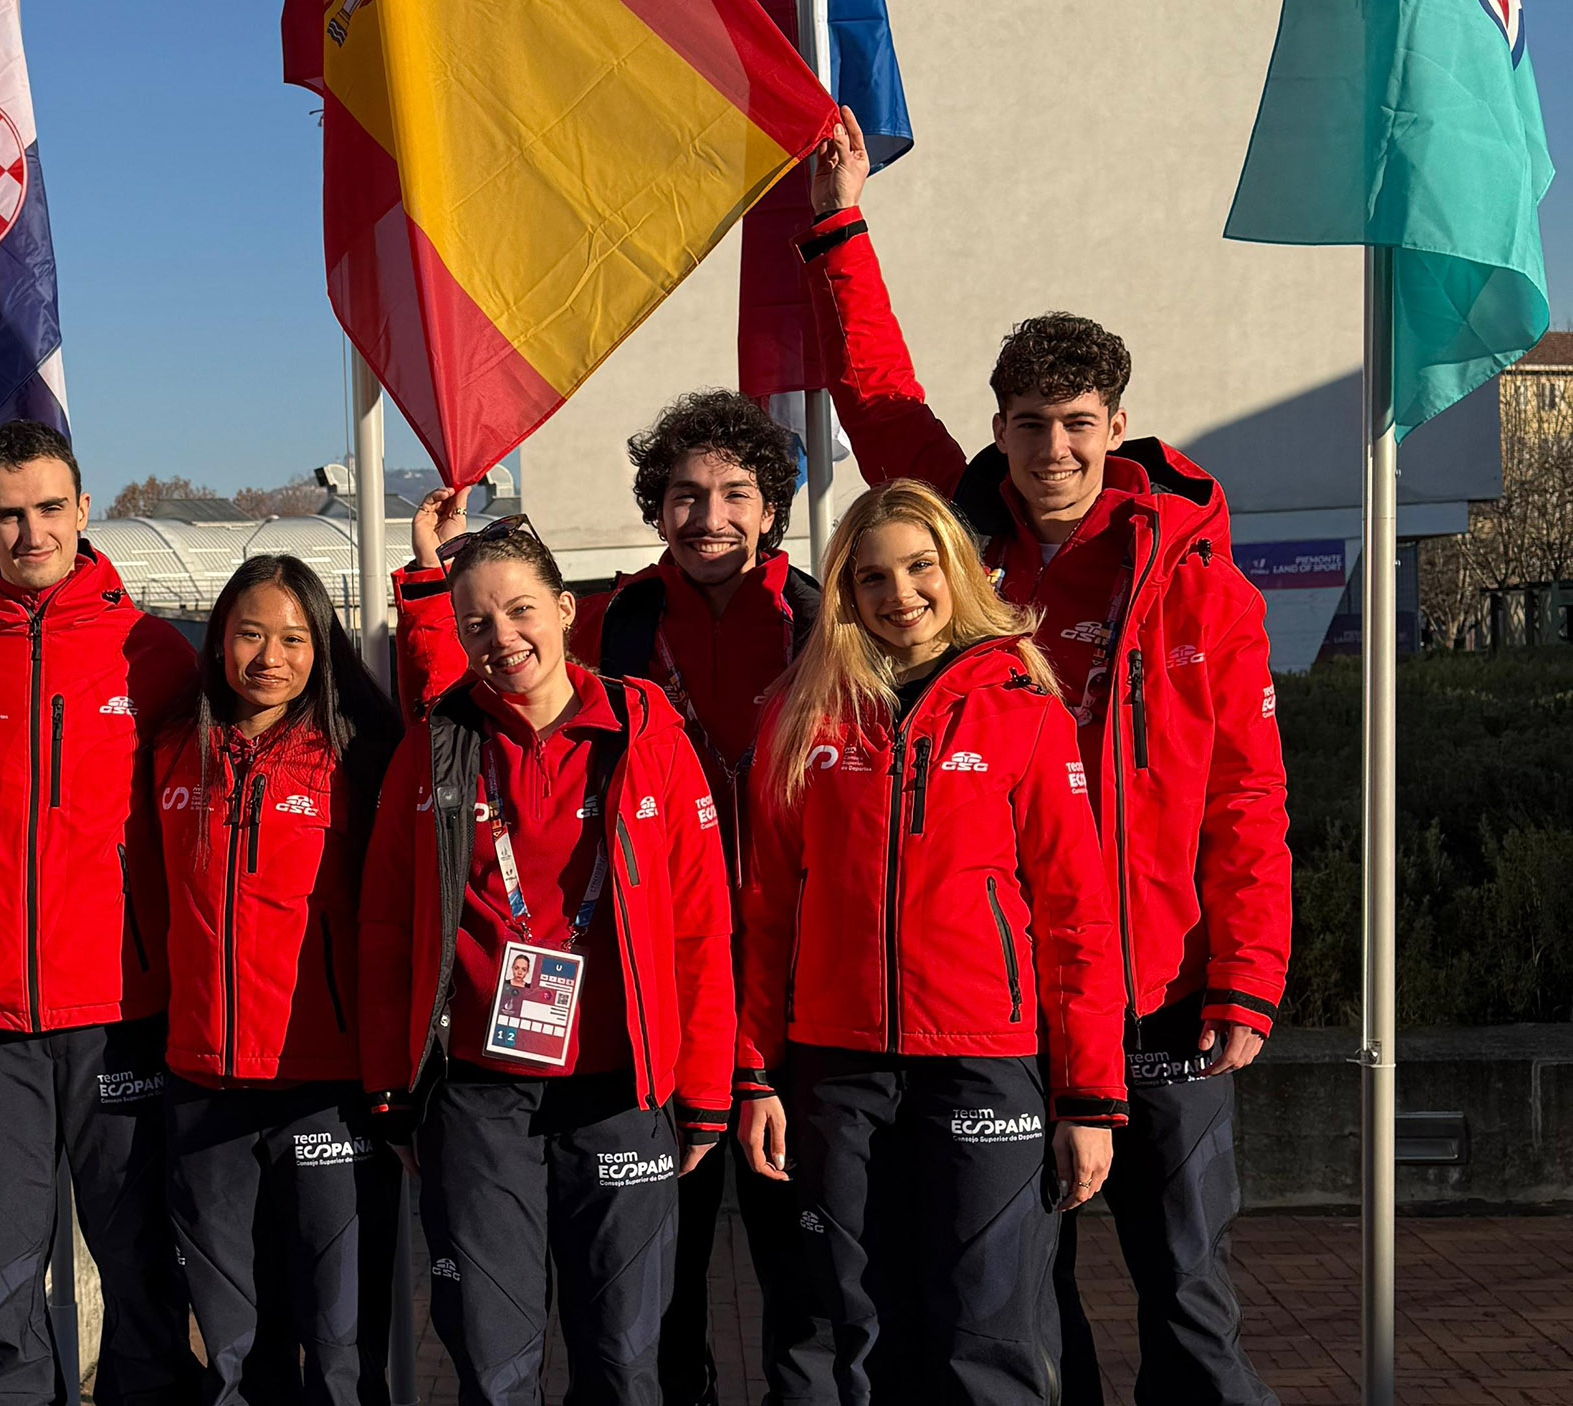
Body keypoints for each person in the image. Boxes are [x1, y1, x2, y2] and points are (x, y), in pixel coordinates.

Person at [805, 107, 1294, 1405]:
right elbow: (873, 390)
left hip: (1167, 994)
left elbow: (1248, 792)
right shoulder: (960, 536)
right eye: (1029, 422)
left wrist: (1244, 981)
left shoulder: (1198, 580)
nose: (1054, 448)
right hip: (1009, 1012)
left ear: (1118, 419)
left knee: (1188, 1291)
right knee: (1022, 1304)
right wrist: (839, 218)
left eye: (1077, 421)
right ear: (1001, 426)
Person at [399, 389, 830, 1405]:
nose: (708, 515)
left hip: (786, 981)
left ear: (770, 504)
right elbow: (488, 676)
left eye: (733, 492)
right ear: (655, 509)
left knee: (806, 1287)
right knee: (655, 1302)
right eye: (683, 494)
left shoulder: (820, 619)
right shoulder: (618, 618)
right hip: (645, 980)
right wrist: (435, 580)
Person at [737, 478, 1128, 1405]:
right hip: (837, 1064)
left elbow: (1077, 913)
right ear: (845, 594)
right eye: (872, 577)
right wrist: (756, 1072)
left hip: (986, 1060)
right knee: (848, 1323)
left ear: (957, 569)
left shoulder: (1023, 711)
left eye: (920, 567)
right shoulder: (805, 715)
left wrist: (1090, 1098)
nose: (899, 593)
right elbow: (764, 910)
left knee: (988, 1326)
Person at [360, 518, 736, 1405]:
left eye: (521, 610)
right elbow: (384, 927)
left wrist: (709, 1091)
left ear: (567, 611)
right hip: (480, 1099)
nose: (503, 639)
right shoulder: (435, 747)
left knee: (622, 1361)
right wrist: (391, 1086)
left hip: (620, 1092)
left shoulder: (651, 735)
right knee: (494, 1364)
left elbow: (700, 927)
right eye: (478, 624)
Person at [0, 419, 202, 1403]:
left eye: (47, 507)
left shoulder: (154, 651)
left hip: (121, 1008)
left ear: (82, 506)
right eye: (6, 514)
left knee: (141, 1266)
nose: (30, 529)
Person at [153, 553, 405, 1406]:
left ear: (322, 649)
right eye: (251, 634)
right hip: (202, 1081)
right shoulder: (171, 758)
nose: (270, 657)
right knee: (233, 1343)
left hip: (324, 1085)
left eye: (295, 638)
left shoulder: (360, 762)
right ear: (218, 640)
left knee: (339, 1339)